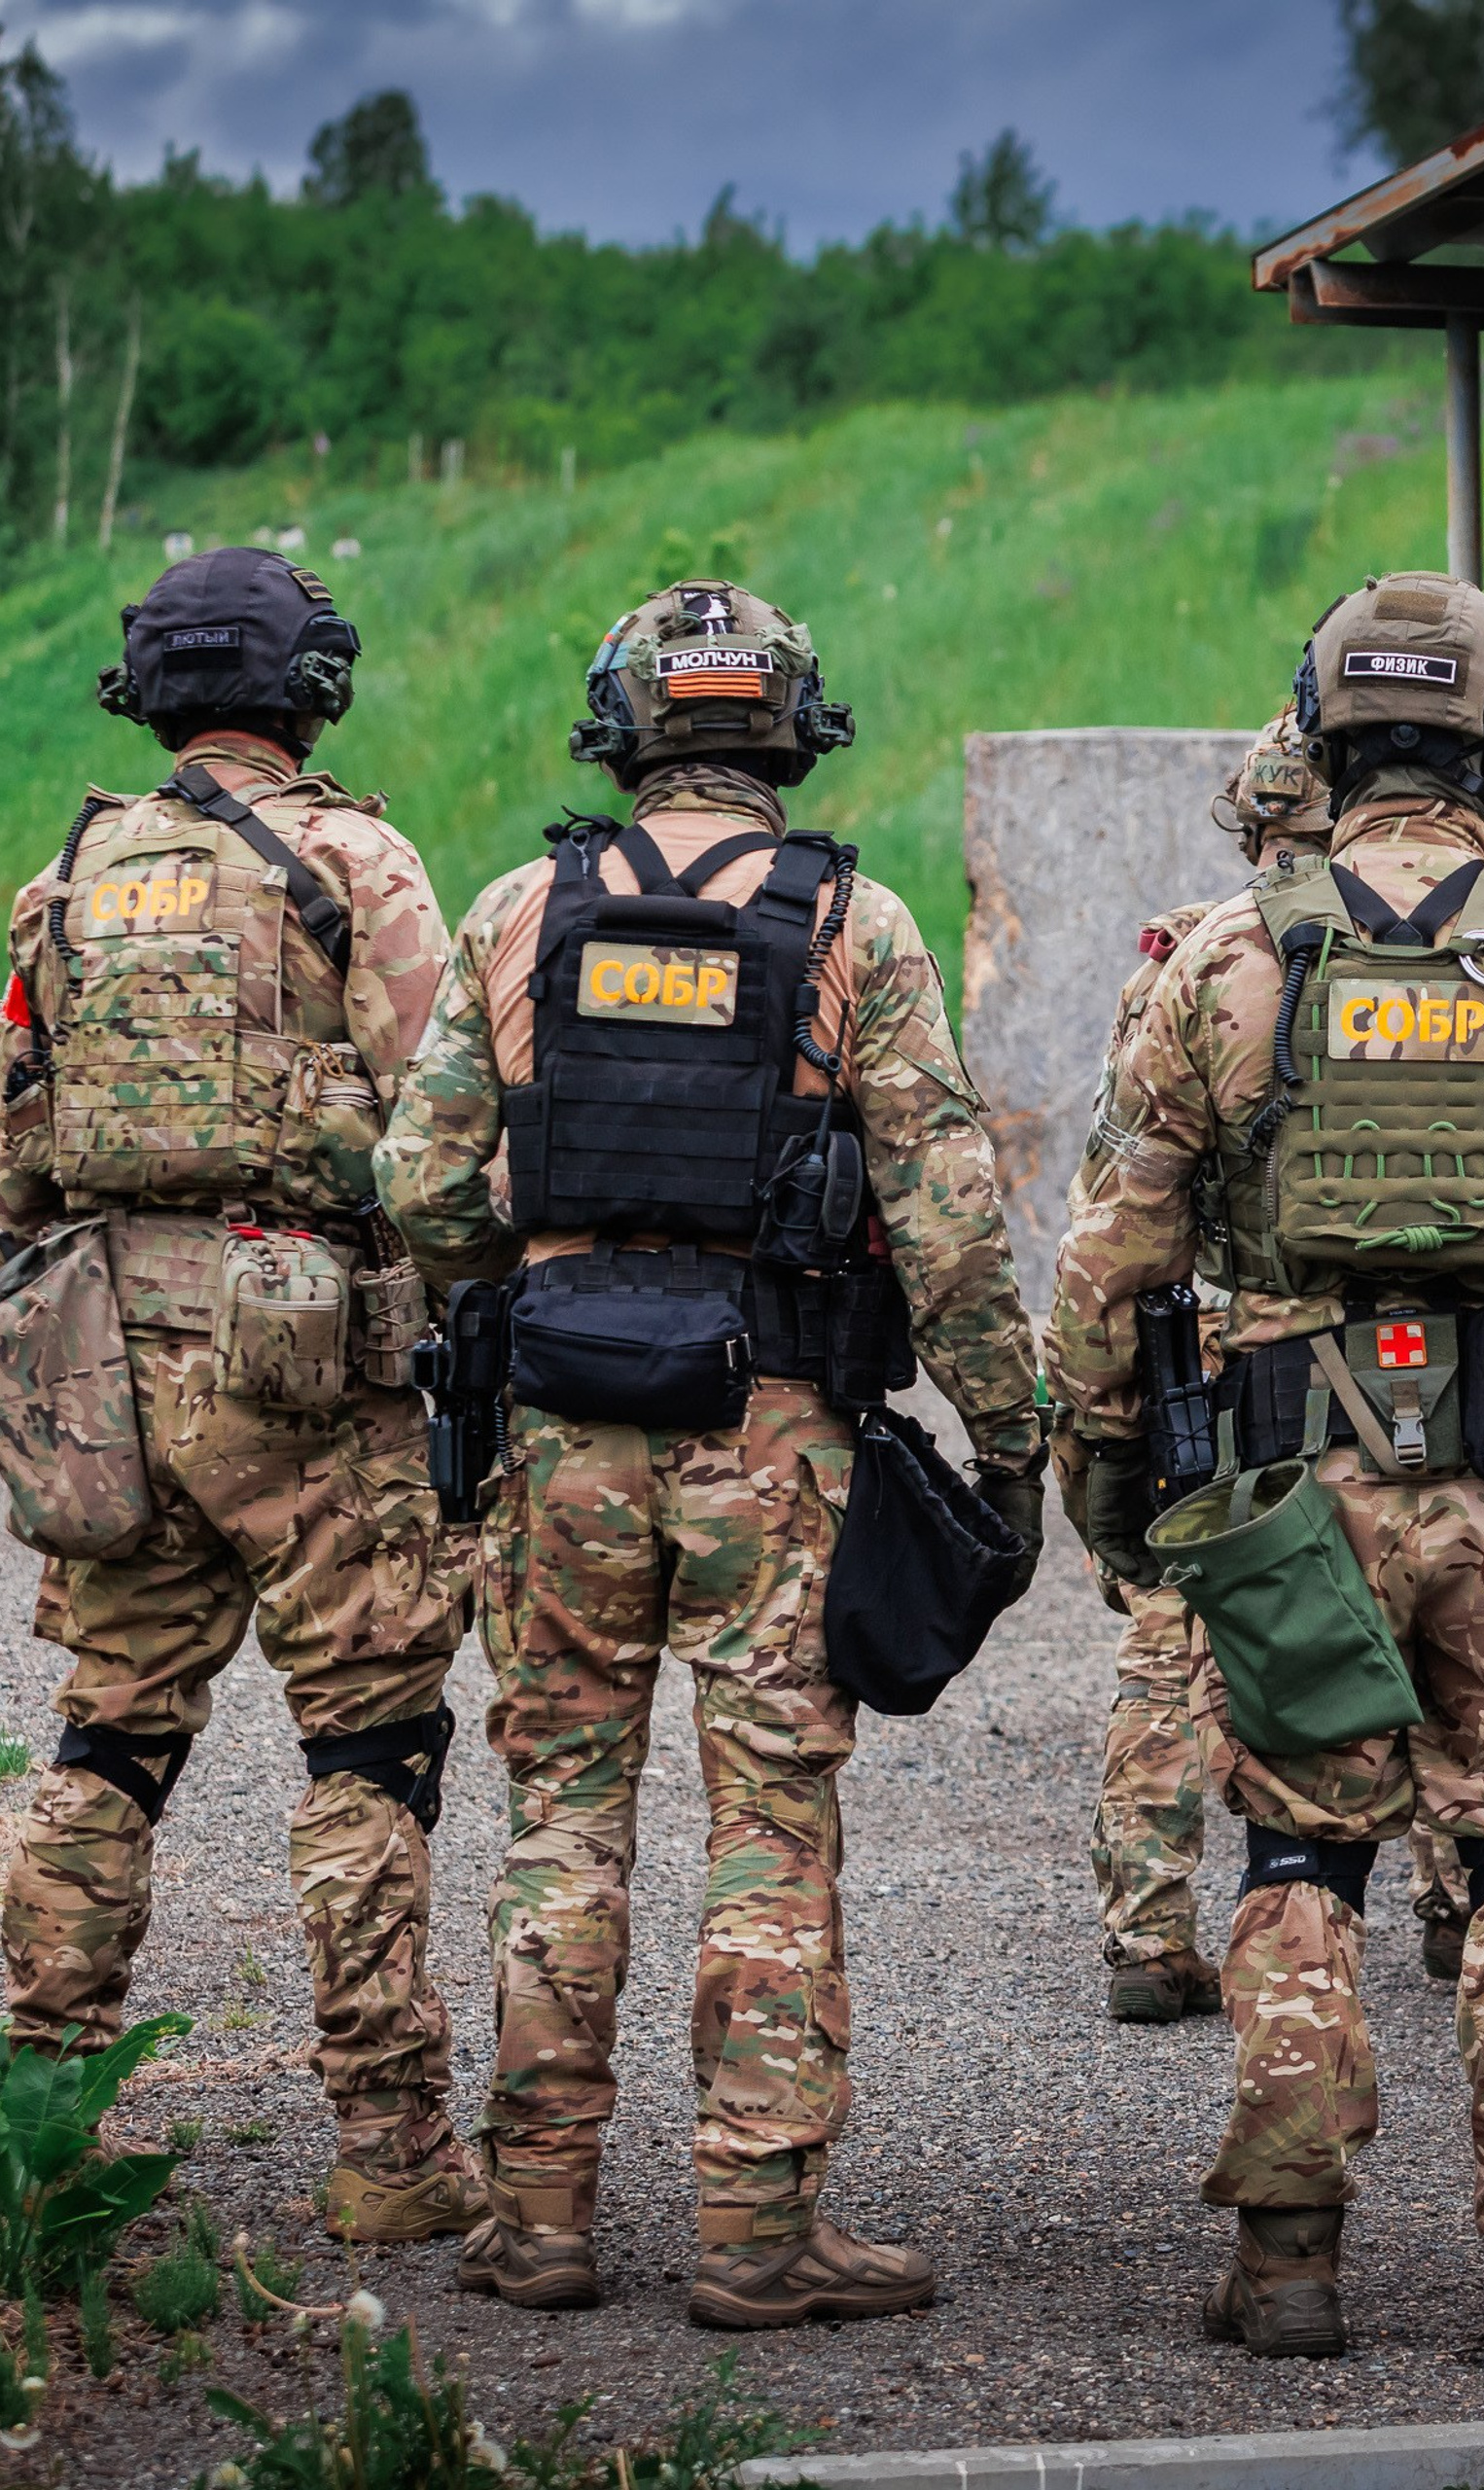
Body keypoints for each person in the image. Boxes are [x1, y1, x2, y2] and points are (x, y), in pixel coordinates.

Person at [1050, 572, 1484, 2365]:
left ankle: (1288, 2259)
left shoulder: (1226, 961)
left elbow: (1108, 1260)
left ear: (1326, 737)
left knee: (1300, 1857)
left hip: (1296, 1486)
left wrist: (1112, 1477)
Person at [374, 579, 1044, 2328]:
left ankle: (539, 2219)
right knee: (770, 1826)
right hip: (773, 1440)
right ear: (788, 730)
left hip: (561, 1446)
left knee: (560, 1823)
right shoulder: (856, 929)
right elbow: (952, 1227)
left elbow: (424, 1189)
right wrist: (1016, 1438)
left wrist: (548, 1268)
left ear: (623, 725)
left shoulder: (522, 911)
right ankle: (757, 2232)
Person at [0, 548, 477, 2244]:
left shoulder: (62, 878)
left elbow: (14, 1142)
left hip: (104, 1368)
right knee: (366, 1743)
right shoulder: (351, 858)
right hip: (304, 1365)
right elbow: (442, 1135)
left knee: (107, 1736)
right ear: (307, 688)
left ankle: (34, 2138)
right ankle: (395, 2158)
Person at [1063, 714, 1472, 2021]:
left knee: (1175, 1631)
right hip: (1447, 1355)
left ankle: (1149, 1921)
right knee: (1444, 1604)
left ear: (1254, 828)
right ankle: (1462, 1897)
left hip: (1245, 1360)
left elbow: (1116, 1199)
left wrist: (1099, 1428)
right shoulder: (1480, 937)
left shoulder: (1201, 960)